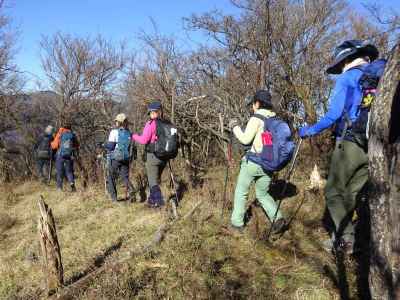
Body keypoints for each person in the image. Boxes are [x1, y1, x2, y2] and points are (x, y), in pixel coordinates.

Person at [298, 40, 379, 253]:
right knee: (351, 193)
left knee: (333, 192)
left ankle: (347, 239)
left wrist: (308, 130)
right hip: (373, 144)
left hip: (350, 141)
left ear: (345, 60)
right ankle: (340, 238)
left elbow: (333, 115)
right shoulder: (376, 78)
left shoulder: (347, 77)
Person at [229, 90, 286, 234]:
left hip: (253, 162)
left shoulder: (257, 118)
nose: (252, 107)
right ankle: (278, 218)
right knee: (262, 194)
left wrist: (234, 126)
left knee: (241, 191)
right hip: (268, 164)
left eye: (253, 104)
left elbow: (245, 139)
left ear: (257, 103)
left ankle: (237, 224)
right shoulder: (274, 119)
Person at [131, 101, 167, 208]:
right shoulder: (166, 123)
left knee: (153, 182)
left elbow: (143, 140)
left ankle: (159, 203)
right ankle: (151, 201)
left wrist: (134, 136)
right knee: (156, 179)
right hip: (164, 157)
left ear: (152, 112)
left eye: (150, 112)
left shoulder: (150, 124)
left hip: (153, 156)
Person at [104, 113, 136, 203]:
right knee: (125, 177)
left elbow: (110, 146)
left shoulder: (114, 132)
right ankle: (131, 189)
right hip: (126, 158)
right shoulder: (129, 133)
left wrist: (104, 144)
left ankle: (114, 198)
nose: (116, 123)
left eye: (116, 121)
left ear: (119, 122)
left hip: (115, 158)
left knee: (111, 176)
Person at [51, 120, 79, 192]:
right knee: (69, 171)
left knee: (59, 171)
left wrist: (52, 143)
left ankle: (59, 188)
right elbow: (77, 145)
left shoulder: (60, 133)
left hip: (60, 155)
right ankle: (72, 185)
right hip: (69, 155)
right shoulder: (72, 134)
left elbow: (54, 146)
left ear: (63, 126)